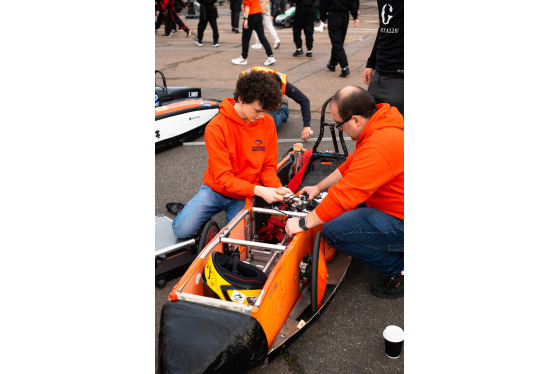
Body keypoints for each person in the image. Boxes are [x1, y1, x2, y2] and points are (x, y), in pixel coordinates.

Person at [284, 86, 404, 299]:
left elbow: (345, 196)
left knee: (334, 231)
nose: (340, 129)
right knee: (345, 213)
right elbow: (351, 165)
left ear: (356, 120)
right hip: (396, 207)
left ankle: (398, 267)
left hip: (401, 218)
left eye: (340, 124)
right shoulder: (381, 123)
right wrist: (318, 187)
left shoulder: (379, 145)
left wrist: (302, 223)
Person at [168, 71, 292, 239]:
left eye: (265, 111)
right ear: (241, 99)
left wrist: (277, 189)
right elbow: (223, 178)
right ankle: (188, 212)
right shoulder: (216, 127)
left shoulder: (267, 122)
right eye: (257, 110)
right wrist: (260, 190)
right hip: (215, 190)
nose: (262, 116)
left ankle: (203, 218)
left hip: (245, 195)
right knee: (182, 231)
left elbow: (268, 168)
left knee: (236, 243)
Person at [241, 66, 313, 141]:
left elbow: (304, 100)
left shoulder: (282, 83)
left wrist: (306, 126)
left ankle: (283, 109)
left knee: (271, 124)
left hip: (268, 98)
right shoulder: (246, 80)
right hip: (255, 93)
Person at [362, 0, 403, 115]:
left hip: (399, 75)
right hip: (380, 72)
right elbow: (383, 28)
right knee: (372, 118)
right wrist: (371, 63)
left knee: (396, 125)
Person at [319, 0, 359, 77]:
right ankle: (332, 63)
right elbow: (353, 3)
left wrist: (323, 18)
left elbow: (323, 4)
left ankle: (344, 66)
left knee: (337, 42)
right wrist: (355, 16)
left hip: (333, 15)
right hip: (344, 16)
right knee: (339, 42)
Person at [232, 0, 276, 65]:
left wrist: (245, 19)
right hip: (258, 14)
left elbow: (247, 6)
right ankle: (270, 56)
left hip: (251, 15)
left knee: (245, 38)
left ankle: (243, 58)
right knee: (262, 37)